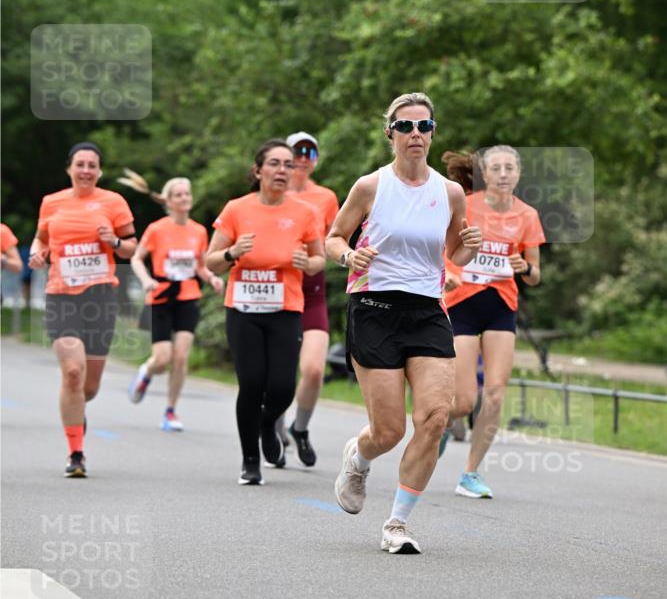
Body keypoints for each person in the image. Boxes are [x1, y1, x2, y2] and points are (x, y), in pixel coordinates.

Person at [326, 93, 482, 554]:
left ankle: (397, 524)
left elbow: (454, 255)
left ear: (433, 133)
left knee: (435, 417)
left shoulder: (450, 193)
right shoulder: (370, 186)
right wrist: (350, 255)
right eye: (405, 126)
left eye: (424, 125)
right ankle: (359, 454)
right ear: (390, 133)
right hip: (373, 307)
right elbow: (333, 237)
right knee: (389, 431)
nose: (415, 133)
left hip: (427, 309)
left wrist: (468, 247)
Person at [206, 139, 325, 486]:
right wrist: (231, 253)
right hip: (243, 309)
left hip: (285, 308)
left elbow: (319, 260)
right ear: (258, 171)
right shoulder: (236, 209)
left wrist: (308, 262)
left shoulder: (304, 212)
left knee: (283, 387)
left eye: (288, 165)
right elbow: (210, 259)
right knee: (252, 382)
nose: (282, 170)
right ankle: (250, 461)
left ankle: (267, 425)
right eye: (274, 163)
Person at [28, 142, 136, 477]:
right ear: (69, 169)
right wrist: (37, 253)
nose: (86, 170)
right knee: (72, 373)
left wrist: (114, 242)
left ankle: (77, 411)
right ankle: (76, 454)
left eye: (92, 165)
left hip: (100, 297)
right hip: (61, 296)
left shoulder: (113, 202)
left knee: (88, 388)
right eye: (80, 164)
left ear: (99, 171)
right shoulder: (52, 203)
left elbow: (132, 249)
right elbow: (41, 239)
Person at [444, 145, 545, 498]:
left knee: (497, 393)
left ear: (518, 174)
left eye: (510, 168)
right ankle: (439, 427)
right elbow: (442, 249)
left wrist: (525, 268)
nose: (503, 173)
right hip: (461, 303)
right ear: (484, 174)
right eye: (496, 168)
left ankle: (470, 473)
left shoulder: (528, 215)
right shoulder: (465, 206)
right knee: (462, 401)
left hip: (502, 305)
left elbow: (534, 275)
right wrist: (449, 273)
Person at [125, 175, 224, 431]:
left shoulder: (199, 231)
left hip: (188, 298)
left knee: (180, 358)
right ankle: (146, 372)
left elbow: (200, 266)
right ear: (168, 201)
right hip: (160, 297)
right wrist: (146, 280)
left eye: (187, 194)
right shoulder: (157, 229)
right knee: (162, 359)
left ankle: (170, 411)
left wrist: (212, 278)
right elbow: (137, 259)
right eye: (179, 194)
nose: (184, 198)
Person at [273, 130, 339, 466]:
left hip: (311, 289)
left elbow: (333, 241)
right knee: (280, 370)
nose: (302, 158)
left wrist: (326, 255)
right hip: (278, 288)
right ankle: (275, 427)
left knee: (313, 370)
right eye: (296, 151)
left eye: (309, 152)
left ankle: (300, 428)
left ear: (315, 160)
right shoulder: (271, 195)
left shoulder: (326, 197)